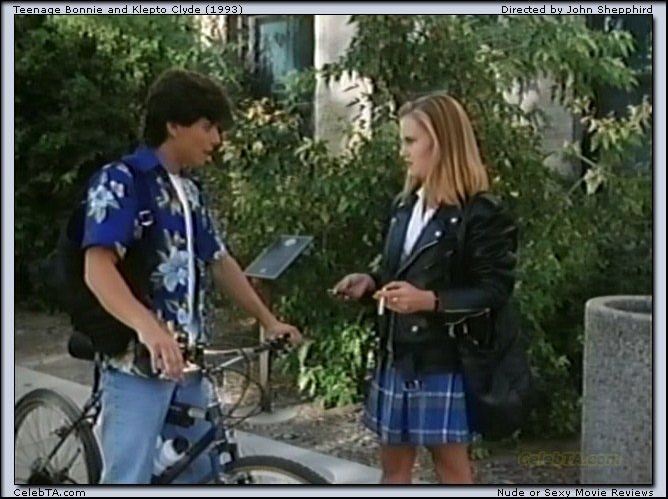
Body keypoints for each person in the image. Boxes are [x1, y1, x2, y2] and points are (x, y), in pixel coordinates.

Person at [82, 68, 302, 484]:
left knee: (205, 472)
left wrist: (268, 321)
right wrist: (150, 329)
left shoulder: (190, 190)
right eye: (208, 126)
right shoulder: (123, 180)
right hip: (137, 366)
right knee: (128, 478)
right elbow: (98, 269)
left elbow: (219, 260)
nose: (217, 139)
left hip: (190, 365)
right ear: (174, 125)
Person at [332, 93, 518, 484]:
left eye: (410, 141)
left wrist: (431, 301)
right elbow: (399, 273)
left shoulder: (479, 213)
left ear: (442, 143)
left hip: (442, 359)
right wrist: (370, 284)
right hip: (397, 353)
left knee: (452, 471)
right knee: (393, 471)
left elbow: (495, 290)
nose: (403, 152)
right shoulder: (405, 206)